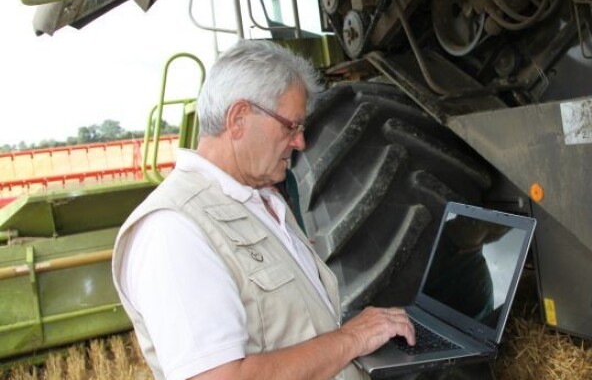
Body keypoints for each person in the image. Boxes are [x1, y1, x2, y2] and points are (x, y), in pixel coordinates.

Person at [111, 40, 414, 380]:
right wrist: (353, 338)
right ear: (239, 118)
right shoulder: (173, 230)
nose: (300, 142)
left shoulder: (261, 200)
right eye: (291, 126)